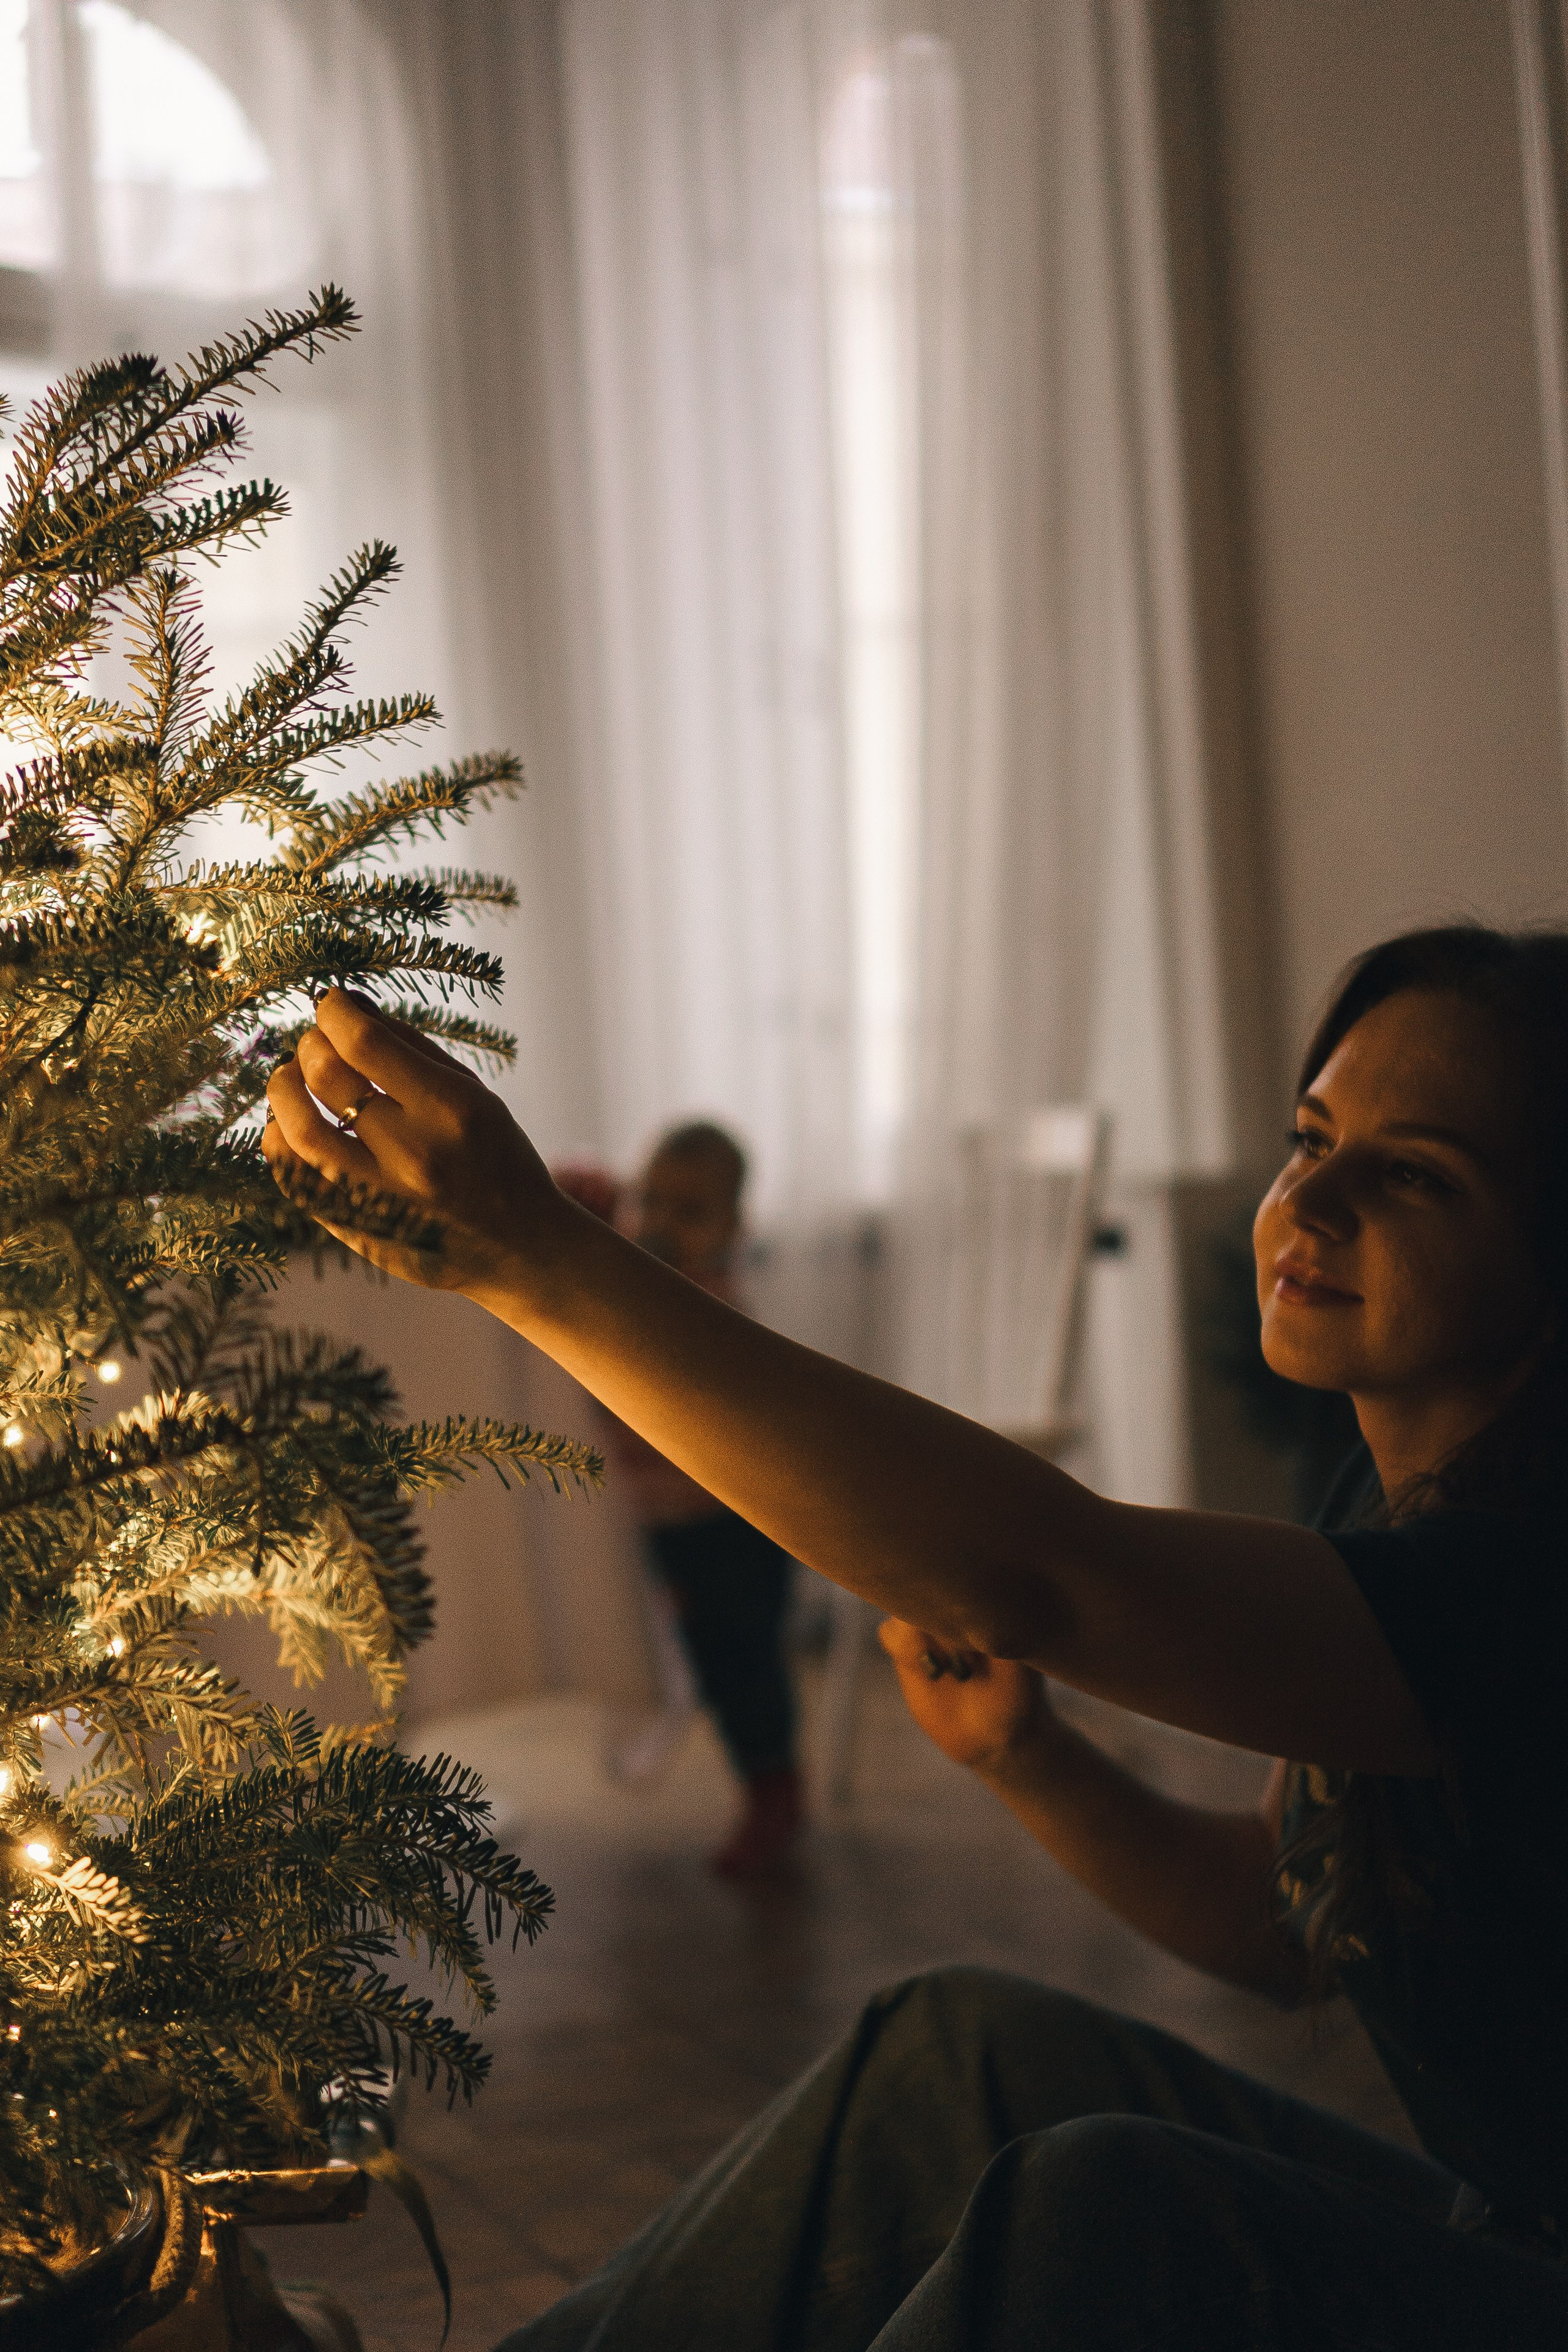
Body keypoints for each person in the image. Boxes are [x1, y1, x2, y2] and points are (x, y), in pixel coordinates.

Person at [263, 926, 1568, 2350]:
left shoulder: (1520, 1573)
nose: (1307, 1199)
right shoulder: (1381, 1491)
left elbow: (1046, 1571)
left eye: (1413, 1173)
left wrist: (541, 1263)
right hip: (1492, 2234)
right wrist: (1034, 1759)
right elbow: (1292, 1917)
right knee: (955, 2054)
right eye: (1306, 1137)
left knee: (1114, 2203)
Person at [561, 1126, 803, 1877]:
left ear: (735, 1230)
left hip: (736, 1526)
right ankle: (756, 1776)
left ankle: (773, 1790)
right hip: (667, 1521)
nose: (664, 1225)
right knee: (700, 1655)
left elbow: (630, 1317)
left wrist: (595, 1238)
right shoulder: (644, 1277)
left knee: (743, 1667)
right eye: (651, 1203)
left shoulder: (705, 1301)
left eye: (691, 1213)